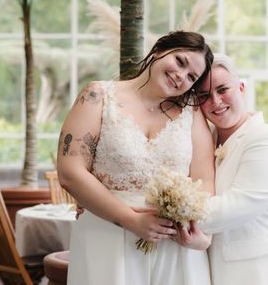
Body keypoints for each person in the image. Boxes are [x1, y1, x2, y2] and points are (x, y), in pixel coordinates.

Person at [57, 31, 216, 285]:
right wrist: (131, 220)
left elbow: (205, 181)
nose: (180, 76)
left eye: (191, 77)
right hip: (106, 238)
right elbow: (69, 172)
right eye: (180, 61)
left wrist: (194, 226)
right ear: (159, 50)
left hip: (173, 248)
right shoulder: (98, 96)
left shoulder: (192, 114)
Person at [178, 54, 268, 285]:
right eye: (204, 95)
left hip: (259, 271)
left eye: (222, 89)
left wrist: (172, 217)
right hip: (215, 268)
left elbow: (236, 207)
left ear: (241, 87)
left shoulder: (266, 140)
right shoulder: (206, 141)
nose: (215, 101)